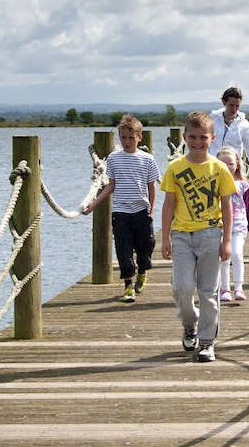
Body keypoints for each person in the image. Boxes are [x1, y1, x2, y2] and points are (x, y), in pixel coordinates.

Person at [160, 110, 236, 363]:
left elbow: (227, 206)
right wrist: (165, 238)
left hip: (211, 234)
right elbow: (168, 204)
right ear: (184, 137)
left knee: (208, 291)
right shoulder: (175, 168)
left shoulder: (220, 169)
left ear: (212, 138)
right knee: (182, 288)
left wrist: (226, 240)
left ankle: (206, 342)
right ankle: (190, 324)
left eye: (202, 137)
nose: (197, 142)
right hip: (181, 235)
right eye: (192, 137)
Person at [80, 115, 160, 303]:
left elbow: (151, 186)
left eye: (130, 138)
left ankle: (142, 271)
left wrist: (152, 209)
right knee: (123, 250)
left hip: (141, 211)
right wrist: (93, 204)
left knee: (146, 247)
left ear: (139, 137)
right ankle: (128, 287)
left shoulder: (147, 159)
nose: (126, 141)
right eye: (123, 137)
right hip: (120, 213)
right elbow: (110, 185)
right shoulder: (114, 159)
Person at [215, 147, 249, 304]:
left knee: (237, 254)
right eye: (223, 163)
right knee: (223, 258)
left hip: (239, 226)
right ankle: (225, 289)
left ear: (237, 165)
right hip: (219, 226)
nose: (227, 167)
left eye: (231, 163)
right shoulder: (214, 184)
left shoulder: (243, 185)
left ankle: (239, 287)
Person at [209, 85, 249, 191]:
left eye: (237, 106)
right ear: (224, 102)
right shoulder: (212, 119)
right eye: (231, 105)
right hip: (212, 168)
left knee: (235, 204)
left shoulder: (245, 125)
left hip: (233, 170)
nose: (234, 109)